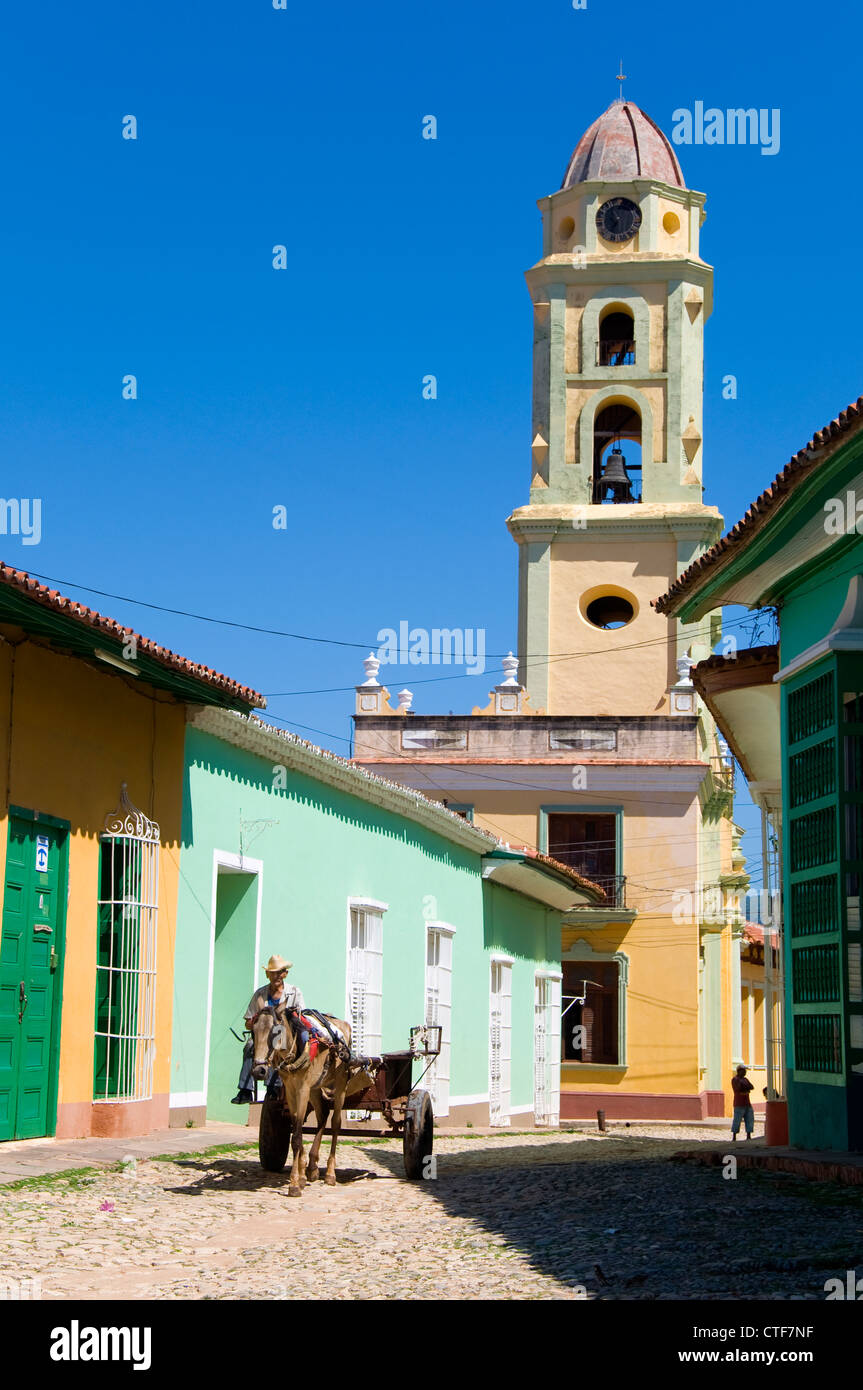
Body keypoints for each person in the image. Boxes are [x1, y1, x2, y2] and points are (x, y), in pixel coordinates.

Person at [231, 955, 306, 1104]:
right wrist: (253, 1022)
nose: (276, 976)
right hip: (262, 1034)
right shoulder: (259, 994)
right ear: (267, 974)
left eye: (279, 972)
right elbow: (248, 1021)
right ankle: (245, 1090)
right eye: (272, 972)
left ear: (285, 974)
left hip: (286, 1034)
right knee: (249, 1046)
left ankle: (274, 1087)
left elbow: (301, 1017)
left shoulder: (295, 992)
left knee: (277, 1044)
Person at [730, 1063, 755, 1141]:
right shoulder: (735, 1079)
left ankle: (748, 1135)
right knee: (737, 1120)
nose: (745, 1072)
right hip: (739, 1103)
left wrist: (745, 1087)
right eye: (743, 1071)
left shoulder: (745, 1079)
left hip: (747, 1103)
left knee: (750, 1119)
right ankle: (734, 1136)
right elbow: (738, 1088)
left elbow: (751, 1087)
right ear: (739, 1071)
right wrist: (745, 1087)